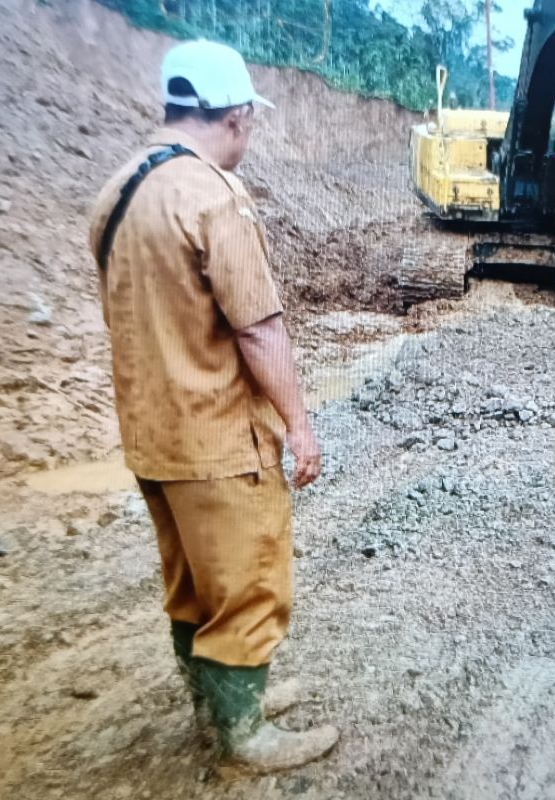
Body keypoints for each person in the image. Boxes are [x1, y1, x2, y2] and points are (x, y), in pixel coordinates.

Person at [87, 40, 336, 772]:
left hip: (151, 436)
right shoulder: (212, 197)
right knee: (247, 582)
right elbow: (257, 327)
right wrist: (299, 425)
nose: (247, 137)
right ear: (233, 118)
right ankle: (242, 738)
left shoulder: (118, 190)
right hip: (218, 439)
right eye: (248, 124)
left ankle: (221, 703)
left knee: (191, 581)